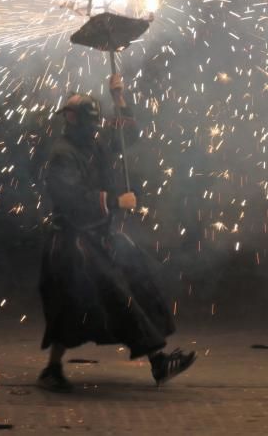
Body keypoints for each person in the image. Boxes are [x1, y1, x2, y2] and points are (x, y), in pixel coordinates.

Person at [37, 74, 195, 392]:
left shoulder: (93, 143)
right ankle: (157, 361)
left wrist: (118, 95)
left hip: (98, 236)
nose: (94, 129)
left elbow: (128, 133)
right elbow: (71, 199)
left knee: (134, 283)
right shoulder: (63, 154)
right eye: (83, 121)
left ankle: (54, 368)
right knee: (107, 298)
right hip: (73, 242)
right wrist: (113, 200)